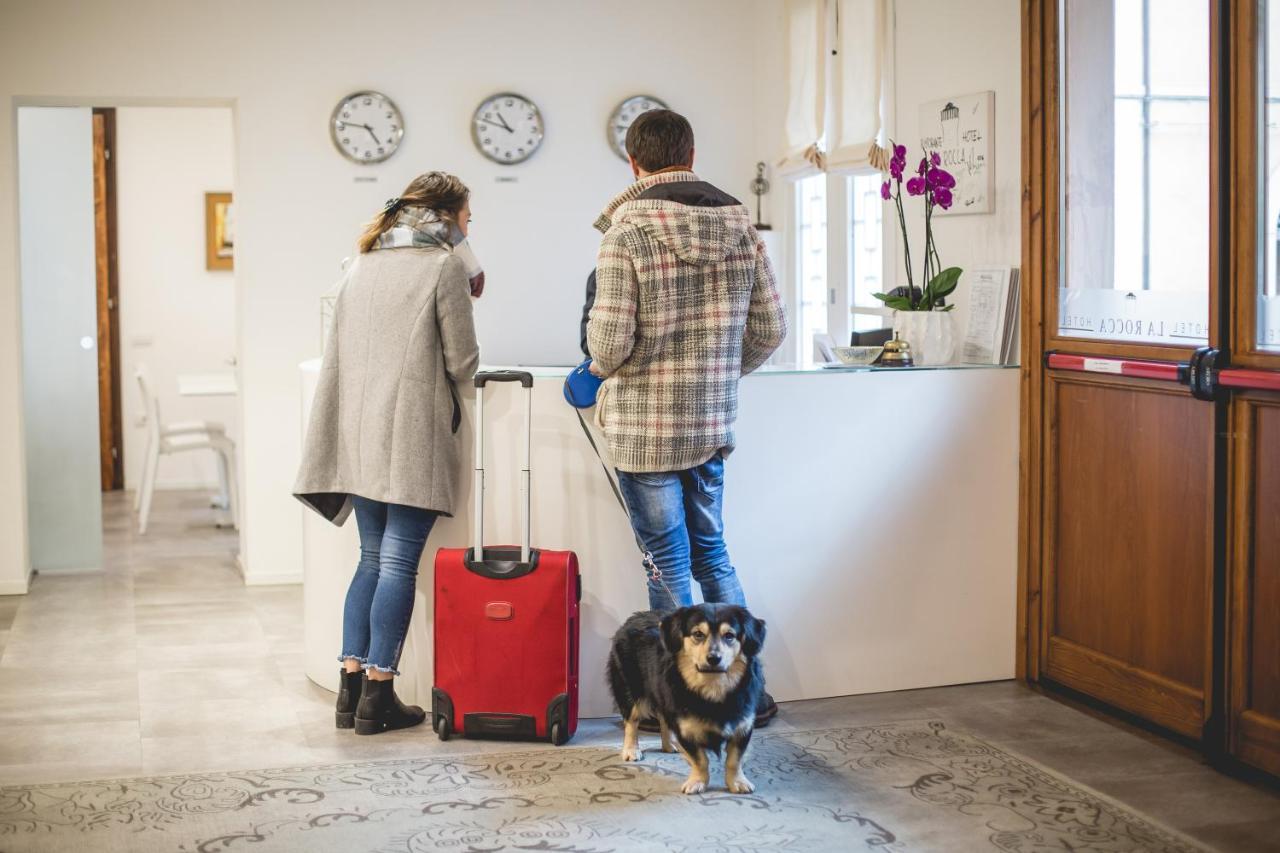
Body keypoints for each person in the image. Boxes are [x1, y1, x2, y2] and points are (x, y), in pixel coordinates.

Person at [585, 110, 787, 725]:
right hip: (710, 425)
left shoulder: (626, 232)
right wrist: (720, 374)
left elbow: (610, 343)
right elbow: (772, 329)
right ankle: (748, 689)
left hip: (644, 433)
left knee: (668, 565)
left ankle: (679, 699)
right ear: (691, 153)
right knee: (713, 555)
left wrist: (596, 364)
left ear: (633, 163)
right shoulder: (740, 227)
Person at [294, 172, 481, 735]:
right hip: (410, 437)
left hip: (359, 438)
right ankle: (380, 694)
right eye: (469, 218)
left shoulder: (363, 262)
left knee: (371, 561)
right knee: (397, 564)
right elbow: (463, 364)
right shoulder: (444, 266)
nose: (471, 228)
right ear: (449, 216)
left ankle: (349, 691)